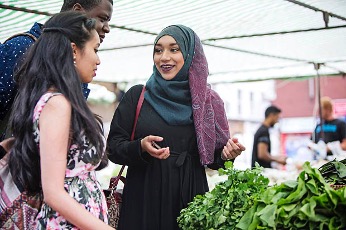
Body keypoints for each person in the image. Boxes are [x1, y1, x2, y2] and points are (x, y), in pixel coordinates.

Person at [107, 25, 246, 230]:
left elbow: (215, 160)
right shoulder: (137, 96)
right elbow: (113, 148)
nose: (164, 57)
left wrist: (226, 156)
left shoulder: (208, 102)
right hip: (144, 199)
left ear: (190, 54)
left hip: (190, 201)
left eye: (174, 49)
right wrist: (140, 147)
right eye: (158, 50)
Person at [8, 11, 112, 229]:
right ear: (74, 50)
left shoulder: (57, 101)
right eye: (95, 49)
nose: (99, 59)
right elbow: (53, 192)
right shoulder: (57, 103)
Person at [0, 0, 113, 140]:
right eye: (102, 19)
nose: (107, 28)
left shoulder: (78, 67)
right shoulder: (22, 47)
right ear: (77, 10)